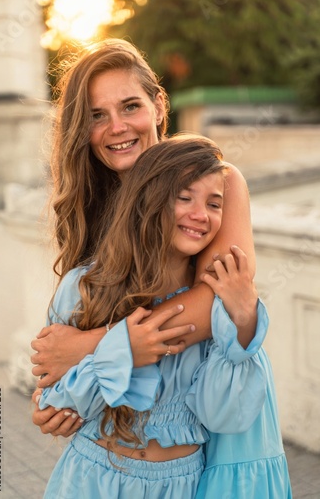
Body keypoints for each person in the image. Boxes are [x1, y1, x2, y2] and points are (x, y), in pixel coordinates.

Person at [31, 38, 257, 438]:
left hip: (215, 414)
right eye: (96, 115)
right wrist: (53, 394)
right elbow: (76, 315)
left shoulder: (214, 180)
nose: (116, 127)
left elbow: (214, 304)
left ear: (159, 106)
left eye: (130, 106)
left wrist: (89, 346)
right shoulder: (94, 203)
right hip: (119, 441)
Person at [37, 135, 275, 498]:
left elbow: (223, 415)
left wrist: (243, 320)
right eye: (184, 197)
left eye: (214, 204)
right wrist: (122, 350)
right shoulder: (85, 286)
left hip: (181, 484)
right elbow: (57, 402)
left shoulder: (213, 313)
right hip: (93, 478)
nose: (200, 215)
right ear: (149, 199)